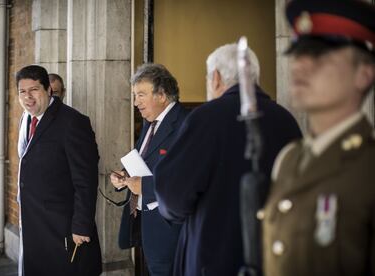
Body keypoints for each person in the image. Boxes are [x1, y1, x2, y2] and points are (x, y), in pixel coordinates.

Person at [153, 43, 302, 276]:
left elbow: (172, 196)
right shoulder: (286, 120)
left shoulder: (206, 118)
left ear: (216, 78)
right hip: (273, 257)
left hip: (212, 257)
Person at [262, 1, 375, 275]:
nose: (300, 66)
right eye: (298, 54)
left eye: (319, 56)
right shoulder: (290, 159)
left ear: (363, 74)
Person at [16, 65, 102, 276]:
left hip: (61, 228)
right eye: (22, 91)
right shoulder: (26, 118)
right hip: (33, 222)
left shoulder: (73, 122)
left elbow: (86, 179)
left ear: (49, 91)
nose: (28, 97)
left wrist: (82, 225)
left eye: (34, 89)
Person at [110, 63, 188, 276]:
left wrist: (144, 186)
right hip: (147, 227)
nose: (136, 102)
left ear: (162, 95)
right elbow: (142, 160)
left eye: (141, 95)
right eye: (135, 96)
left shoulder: (185, 124)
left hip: (170, 234)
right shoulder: (150, 123)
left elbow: (186, 179)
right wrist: (124, 177)